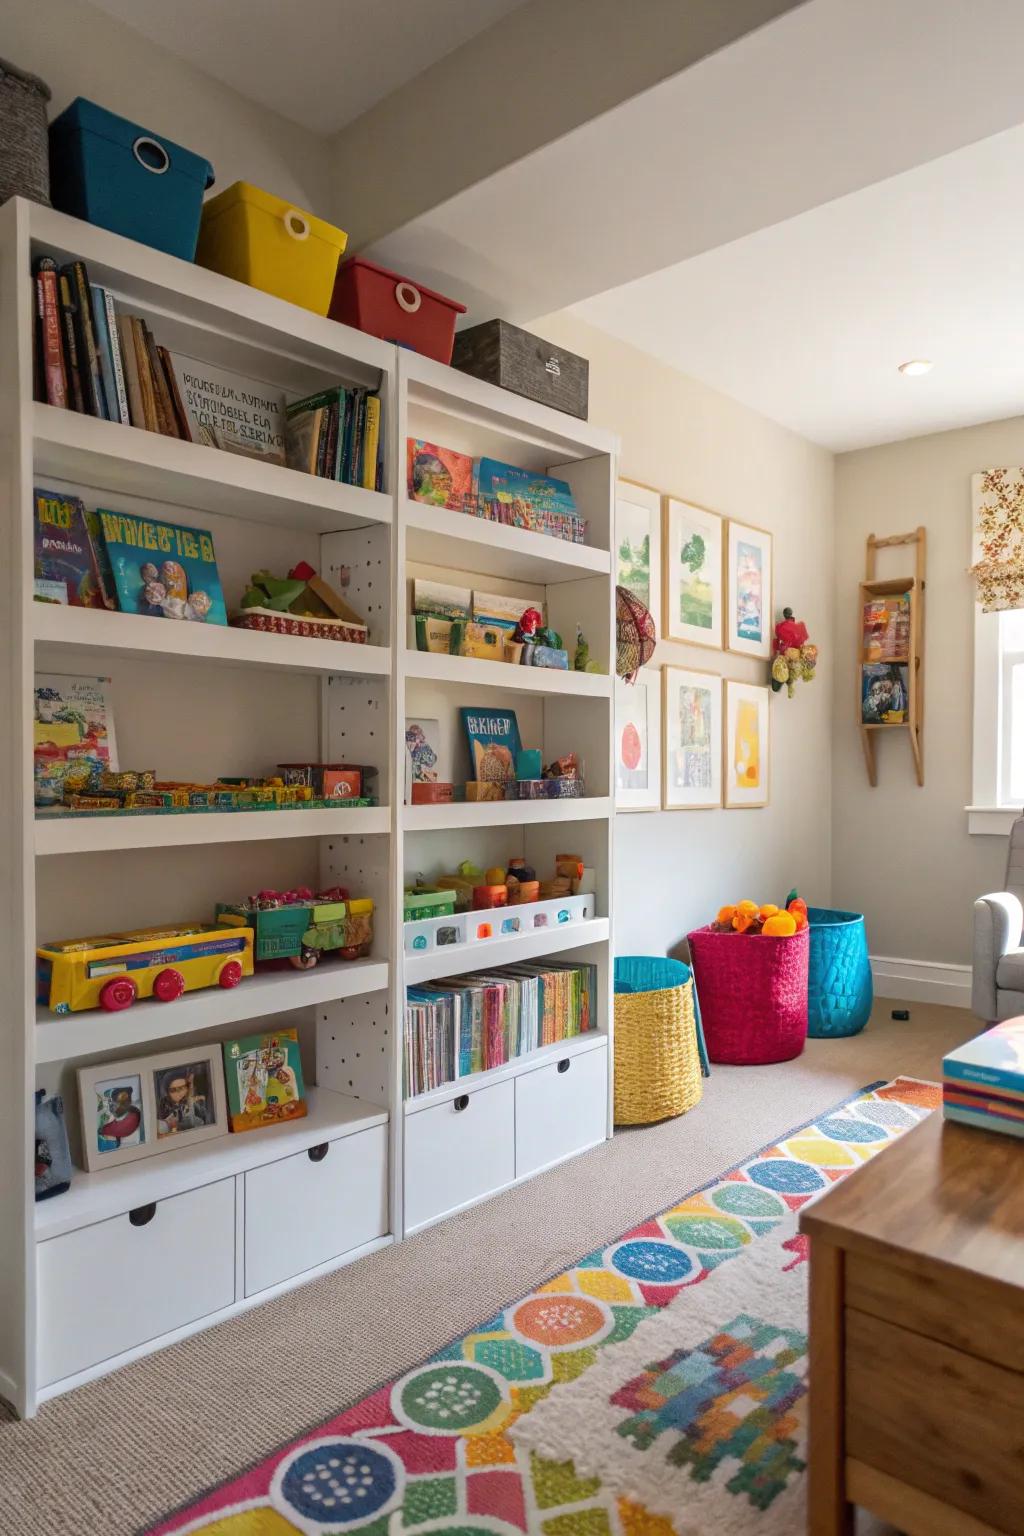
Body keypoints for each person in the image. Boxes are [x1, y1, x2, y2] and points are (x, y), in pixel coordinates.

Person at [156, 1068, 209, 1136]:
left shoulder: (188, 1100)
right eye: (173, 1090)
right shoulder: (164, 1103)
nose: (179, 1093)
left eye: (182, 1088)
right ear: (167, 1092)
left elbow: (200, 1116)